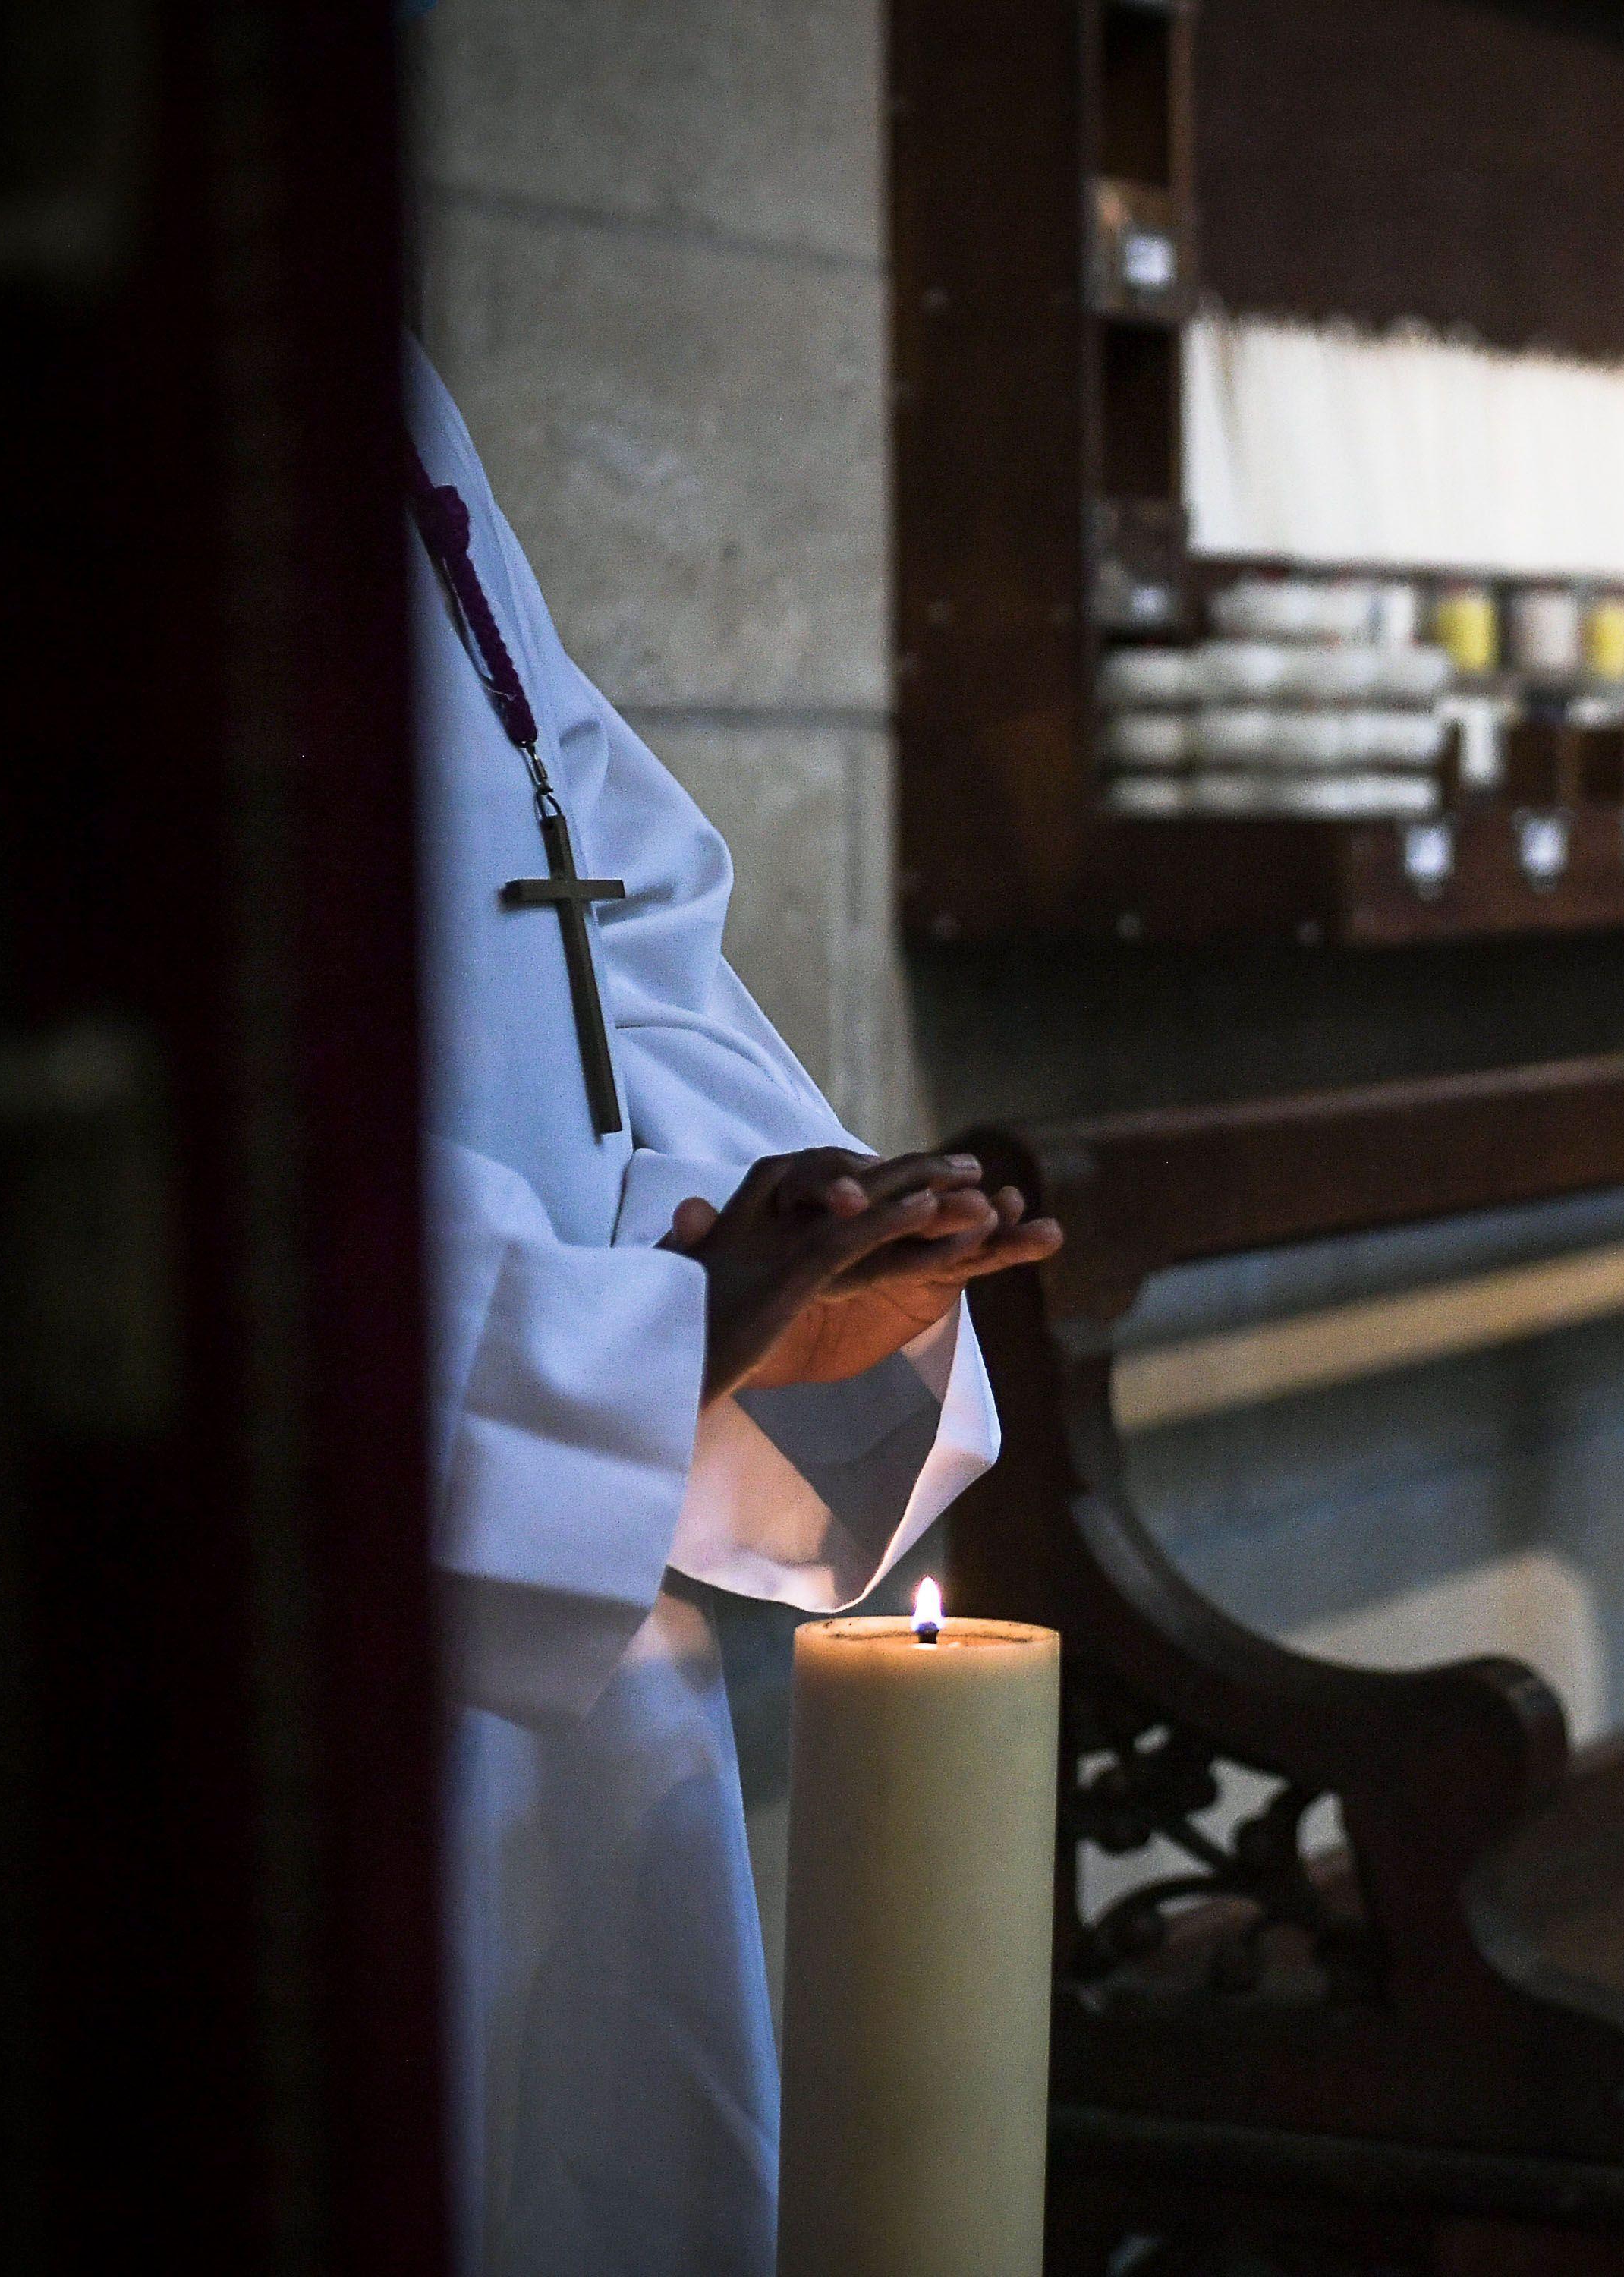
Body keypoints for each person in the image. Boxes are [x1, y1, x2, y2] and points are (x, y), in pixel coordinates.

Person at [407, 339, 1060, 2274]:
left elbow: (595, 886)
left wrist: (797, 1256)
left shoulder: (393, 390)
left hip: (574, 1689)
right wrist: (638, 1348)